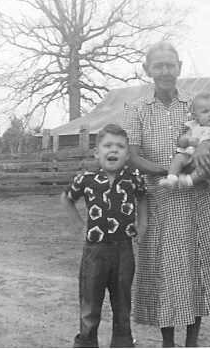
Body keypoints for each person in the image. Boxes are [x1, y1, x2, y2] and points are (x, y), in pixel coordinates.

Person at [123, 42, 210, 347]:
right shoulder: (137, 109)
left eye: (170, 65)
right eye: (158, 66)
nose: (165, 71)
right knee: (166, 271)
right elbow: (132, 155)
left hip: (200, 199)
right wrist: (169, 172)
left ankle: (192, 341)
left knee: (197, 266)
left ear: (179, 67)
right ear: (147, 70)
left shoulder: (196, 104)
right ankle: (167, 342)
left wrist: (205, 147)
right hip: (162, 200)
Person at [60, 123, 147, 348]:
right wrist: (80, 227)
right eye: (108, 145)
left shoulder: (133, 177)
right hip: (95, 251)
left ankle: (123, 342)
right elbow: (67, 199)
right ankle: (87, 342)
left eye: (120, 146)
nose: (114, 150)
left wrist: (143, 224)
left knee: (122, 303)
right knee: (90, 303)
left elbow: (144, 199)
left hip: (123, 250)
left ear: (127, 154)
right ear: (97, 152)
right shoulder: (86, 179)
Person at [159, 91, 210, 189]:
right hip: (191, 157)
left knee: (207, 166)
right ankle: (171, 179)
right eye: (205, 112)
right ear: (195, 115)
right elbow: (181, 141)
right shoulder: (193, 127)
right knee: (179, 158)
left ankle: (189, 180)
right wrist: (188, 140)